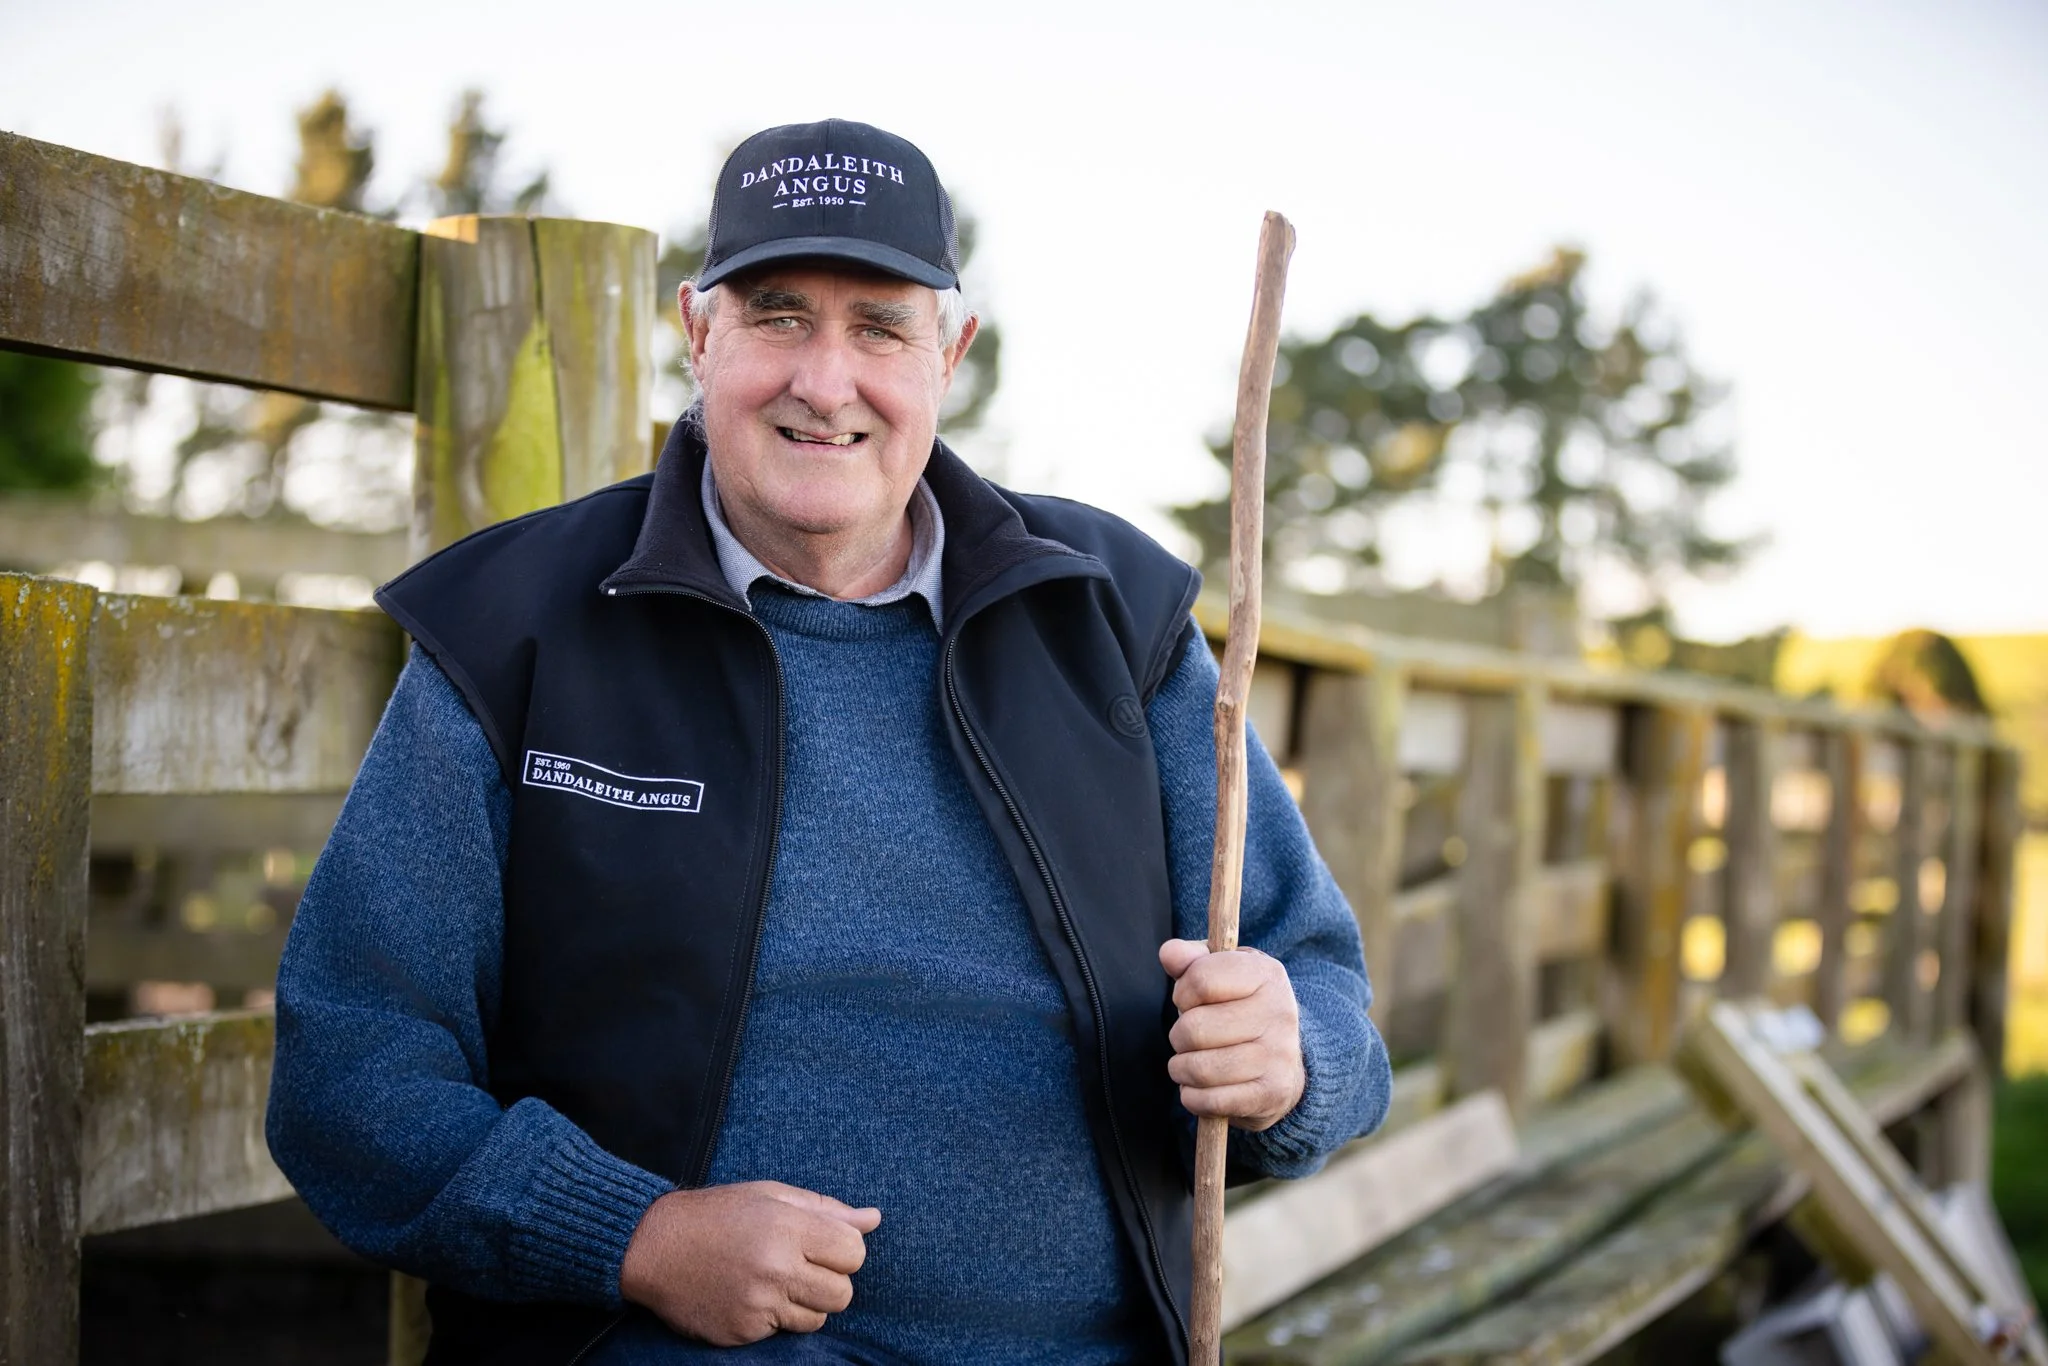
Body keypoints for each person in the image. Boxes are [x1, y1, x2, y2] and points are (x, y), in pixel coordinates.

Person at [266, 118, 1392, 1366]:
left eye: (881, 327)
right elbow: (350, 1073)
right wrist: (632, 1233)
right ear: (698, 333)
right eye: (780, 314)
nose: (824, 379)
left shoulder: (1111, 619)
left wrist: (1293, 1060)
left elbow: (1323, 993)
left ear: (949, 353)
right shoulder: (514, 632)